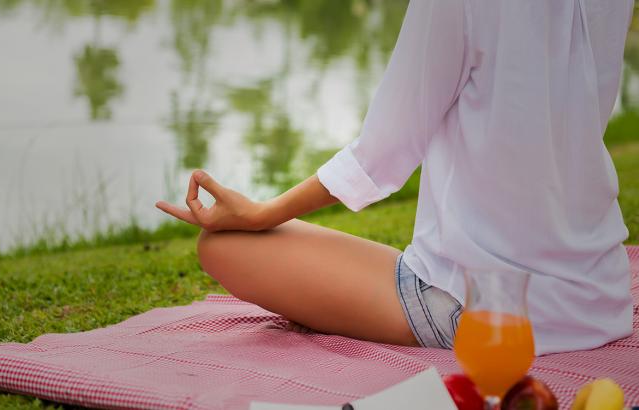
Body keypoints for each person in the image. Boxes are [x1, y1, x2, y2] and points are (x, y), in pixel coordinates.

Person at [156, 0, 635, 355]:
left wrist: (263, 213)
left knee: (220, 247)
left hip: (479, 308)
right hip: (597, 293)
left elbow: (383, 153)